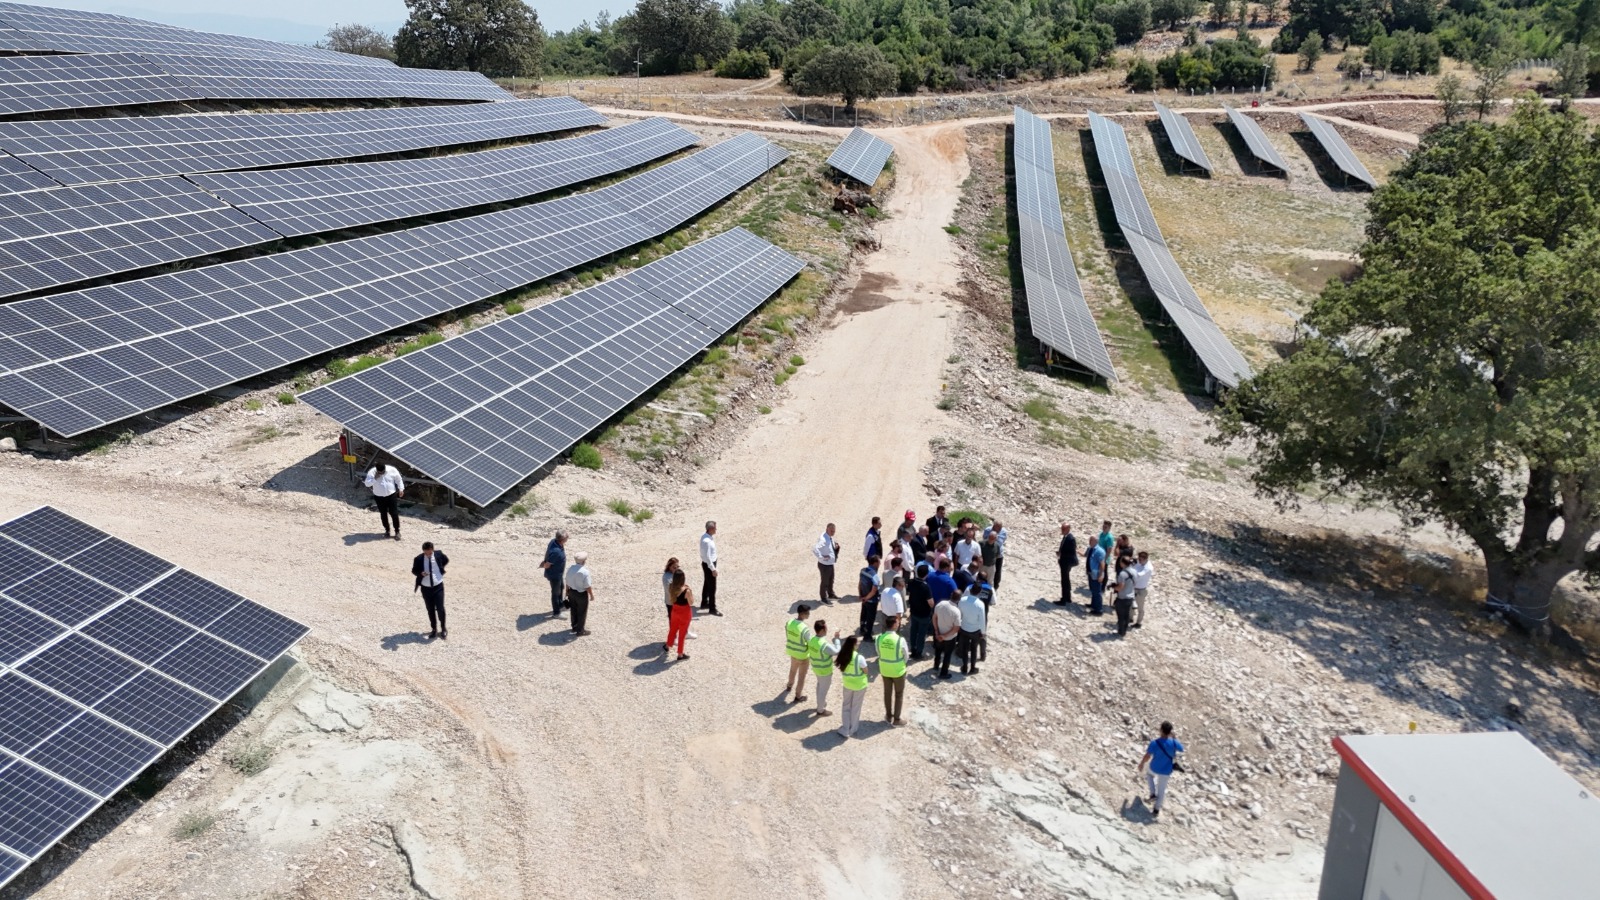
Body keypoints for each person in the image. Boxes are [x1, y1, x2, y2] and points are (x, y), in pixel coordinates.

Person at [1138, 722, 1185, 818]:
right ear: (1169, 732)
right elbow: (1181, 749)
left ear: (1161, 730)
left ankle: (1152, 794)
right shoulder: (1173, 742)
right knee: (1162, 790)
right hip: (1166, 770)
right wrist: (1174, 738)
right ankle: (1156, 810)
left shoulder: (1155, 743)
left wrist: (1142, 763)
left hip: (1154, 767)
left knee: (1149, 775)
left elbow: (1147, 756)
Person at [411, 541, 448, 640]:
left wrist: (440, 570)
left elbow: (445, 560)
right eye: (426, 553)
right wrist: (421, 573)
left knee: (440, 608)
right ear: (423, 551)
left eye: (430, 553)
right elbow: (414, 570)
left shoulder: (438, 554)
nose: (428, 555)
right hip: (426, 588)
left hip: (438, 586)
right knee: (430, 609)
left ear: (433, 550)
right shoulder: (418, 559)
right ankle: (434, 629)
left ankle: (443, 628)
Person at [876, 615, 909, 726]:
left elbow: (878, 652)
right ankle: (897, 719)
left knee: (887, 693)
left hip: (885, 669)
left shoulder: (879, 638)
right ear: (894, 625)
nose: (899, 624)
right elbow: (906, 656)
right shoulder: (900, 640)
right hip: (898, 671)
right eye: (898, 622)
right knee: (899, 694)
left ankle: (888, 715)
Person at [836, 636, 869, 739]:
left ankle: (845, 728)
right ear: (853, 645)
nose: (858, 644)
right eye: (857, 643)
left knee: (846, 706)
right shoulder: (859, 658)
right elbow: (866, 671)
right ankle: (853, 728)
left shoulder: (843, 655)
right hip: (859, 685)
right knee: (855, 707)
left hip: (847, 684)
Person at [364, 461, 404, 540]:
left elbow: (399, 479)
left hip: (391, 495)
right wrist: (375, 478)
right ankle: (387, 530)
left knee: (394, 513)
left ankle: (397, 531)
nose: (382, 473)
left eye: (383, 472)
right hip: (379, 496)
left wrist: (401, 489)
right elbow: (367, 484)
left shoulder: (392, 469)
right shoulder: (371, 473)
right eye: (380, 472)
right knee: (383, 513)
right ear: (377, 470)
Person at [807, 621, 840, 716]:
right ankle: (820, 710)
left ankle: (820, 704)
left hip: (816, 668)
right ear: (822, 630)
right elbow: (836, 651)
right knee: (823, 690)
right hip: (824, 670)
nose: (827, 630)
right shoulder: (824, 644)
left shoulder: (812, 640)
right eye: (826, 628)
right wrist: (837, 640)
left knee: (819, 686)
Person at [783, 605, 814, 702]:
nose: (809, 615)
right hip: (802, 655)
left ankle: (789, 685)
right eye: (807, 613)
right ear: (802, 614)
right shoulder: (804, 628)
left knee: (792, 670)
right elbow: (810, 643)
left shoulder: (789, 622)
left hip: (792, 651)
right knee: (801, 676)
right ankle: (798, 695)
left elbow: (787, 633)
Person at [905, 564, 934, 660]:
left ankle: (913, 650)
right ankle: (918, 653)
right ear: (926, 574)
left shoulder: (911, 582)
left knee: (913, 631)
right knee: (921, 634)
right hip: (924, 614)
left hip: (914, 612)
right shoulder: (926, 587)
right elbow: (930, 603)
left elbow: (909, 592)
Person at [957, 584, 987, 675]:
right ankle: (973, 668)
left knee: (965, 649)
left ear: (970, 590)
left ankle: (965, 667)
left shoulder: (962, 600)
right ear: (979, 592)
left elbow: (959, 614)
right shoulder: (980, 604)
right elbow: (982, 620)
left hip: (964, 628)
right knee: (974, 650)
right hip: (975, 630)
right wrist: (983, 632)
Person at [932, 589, 961, 679]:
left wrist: (937, 631)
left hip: (938, 634)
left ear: (951, 594)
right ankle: (943, 673)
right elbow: (956, 628)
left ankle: (936, 666)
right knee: (947, 655)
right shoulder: (956, 611)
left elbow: (934, 618)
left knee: (938, 651)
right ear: (959, 599)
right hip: (949, 638)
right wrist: (945, 636)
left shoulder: (940, 604)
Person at [564, 551, 595, 636]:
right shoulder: (585, 572)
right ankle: (580, 631)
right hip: (581, 594)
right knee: (582, 612)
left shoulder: (570, 568)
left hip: (571, 592)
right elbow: (587, 586)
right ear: (584, 561)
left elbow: (567, 581)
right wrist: (591, 595)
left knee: (573, 610)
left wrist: (567, 592)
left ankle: (574, 626)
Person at [665, 570, 693, 660]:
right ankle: (680, 654)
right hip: (684, 612)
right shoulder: (686, 591)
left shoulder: (670, 586)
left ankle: (668, 645)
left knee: (673, 629)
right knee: (682, 633)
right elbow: (691, 602)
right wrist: (690, 591)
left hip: (675, 610)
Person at [541, 531, 567, 618]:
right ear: (562, 540)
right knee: (555, 593)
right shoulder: (556, 552)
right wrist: (547, 569)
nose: (567, 540)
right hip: (555, 575)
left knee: (561, 587)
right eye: (566, 538)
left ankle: (560, 604)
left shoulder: (554, 541)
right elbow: (547, 564)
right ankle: (556, 613)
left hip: (559, 574)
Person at [814, 523, 840, 604]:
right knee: (825, 581)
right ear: (827, 529)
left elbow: (829, 547)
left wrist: (835, 547)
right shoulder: (823, 539)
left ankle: (831, 594)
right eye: (831, 531)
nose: (833, 532)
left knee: (831, 580)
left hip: (830, 564)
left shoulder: (828, 537)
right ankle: (823, 598)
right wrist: (822, 557)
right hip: (824, 565)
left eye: (834, 531)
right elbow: (815, 549)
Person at [857, 555, 881, 638]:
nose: (880, 563)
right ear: (875, 563)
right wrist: (866, 598)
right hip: (871, 600)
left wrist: (861, 596)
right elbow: (874, 591)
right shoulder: (875, 576)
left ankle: (862, 629)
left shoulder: (862, 571)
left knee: (863, 614)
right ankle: (868, 636)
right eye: (879, 562)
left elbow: (860, 583)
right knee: (870, 618)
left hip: (864, 598)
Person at [699, 521, 720, 616]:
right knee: (712, 587)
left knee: (707, 583)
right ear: (710, 529)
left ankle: (704, 602)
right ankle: (712, 608)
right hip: (709, 565)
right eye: (715, 528)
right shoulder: (706, 541)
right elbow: (707, 557)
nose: (716, 529)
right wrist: (713, 569)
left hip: (708, 564)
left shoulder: (706, 537)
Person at [1130, 551, 1155, 628]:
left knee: (1140, 607)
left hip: (1140, 590)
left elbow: (1137, 575)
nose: (1139, 561)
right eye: (1139, 559)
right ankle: (1130, 618)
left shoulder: (1148, 568)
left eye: (1140, 559)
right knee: (1130, 604)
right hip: (1133, 587)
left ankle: (1139, 622)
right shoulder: (1139, 562)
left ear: (1145, 559)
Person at [1113, 555, 1136, 637]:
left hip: (1122, 597)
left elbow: (1120, 587)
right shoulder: (1134, 571)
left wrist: (1114, 587)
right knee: (1126, 615)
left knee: (1120, 616)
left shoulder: (1123, 574)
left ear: (1122, 563)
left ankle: (1121, 631)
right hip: (1130, 596)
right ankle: (1124, 631)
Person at [1055, 523, 1077, 605]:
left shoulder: (1070, 539)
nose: (1062, 531)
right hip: (1064, 561)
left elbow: (1071, 552)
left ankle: (1064, 599)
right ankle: (1067, 597)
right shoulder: (1066, 537)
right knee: (1066, 580)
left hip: (1066, 562)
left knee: (1065, 581)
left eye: (1063, 529)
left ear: (1068, 529)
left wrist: (1061, 554)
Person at [984, 519, 1009, 589]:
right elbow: (985, 539)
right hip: (988, 553)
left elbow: (1001, 542)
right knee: (987, 568)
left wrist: (996, 537)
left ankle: (995, 585)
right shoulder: (987, 530)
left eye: (1000, 527)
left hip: (998, 554)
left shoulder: (1004, 532)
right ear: (994, 526)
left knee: (997, 570)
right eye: (997, 527)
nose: (999, 529)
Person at [1086, 540, 1107, 616]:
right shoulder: (1091, 549)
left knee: (1097, 591)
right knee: (1093, 590)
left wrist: (1101, 575)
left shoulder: (1099, 551)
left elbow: (1102, 564)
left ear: (1095, 541)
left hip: (1096, 574)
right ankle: (1093, 605)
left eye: (1091, 540)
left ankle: (1098, 609)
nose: (1089, 542)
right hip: (1091, 573)